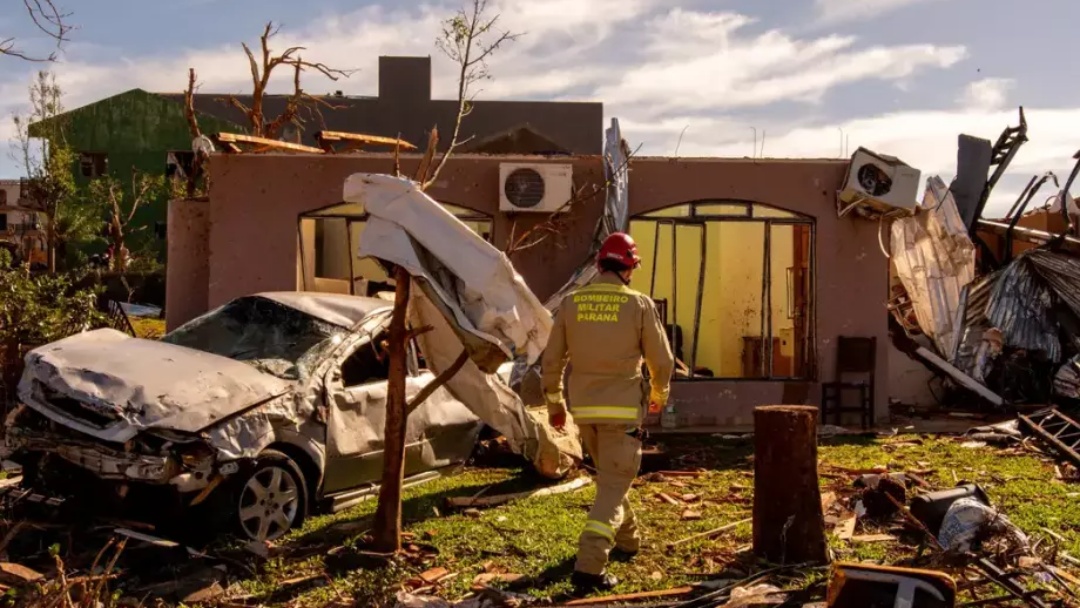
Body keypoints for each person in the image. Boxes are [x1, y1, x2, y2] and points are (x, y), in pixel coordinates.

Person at [541, 232, 675, 592]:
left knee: (611, 481)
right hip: (622, 412)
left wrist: (555, 404)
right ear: (629, 268)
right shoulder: (639, 305)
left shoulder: (571, 303)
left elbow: (551, 361)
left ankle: (629, 541)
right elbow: (661, 362)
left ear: (599, 264)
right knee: (614, 483)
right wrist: (659, 395)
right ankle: (589, 566)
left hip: (584, 411)